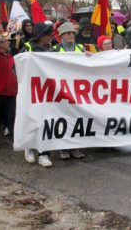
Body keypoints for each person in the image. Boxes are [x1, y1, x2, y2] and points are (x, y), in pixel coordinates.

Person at [20, 22, 55, 167]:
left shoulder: (52, 50)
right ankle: (29, 147)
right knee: (32, 120)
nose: (51, 37)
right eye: (48, 35)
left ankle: (44, 153)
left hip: (47, 91)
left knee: (46, 122)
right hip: (31, 91)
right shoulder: (27, 49)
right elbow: (17, 68)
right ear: (42, 36)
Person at [55, 22, 86, 160]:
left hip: (78, 88)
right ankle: (64, 148)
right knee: (63, 118)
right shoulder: (55, 49)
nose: (72, 35)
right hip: (62, 89)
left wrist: (90, 57)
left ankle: (75, 147)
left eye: (73, 33)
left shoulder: (81, 47)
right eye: (68, 33)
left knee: (77, 118)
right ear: (61, 35)